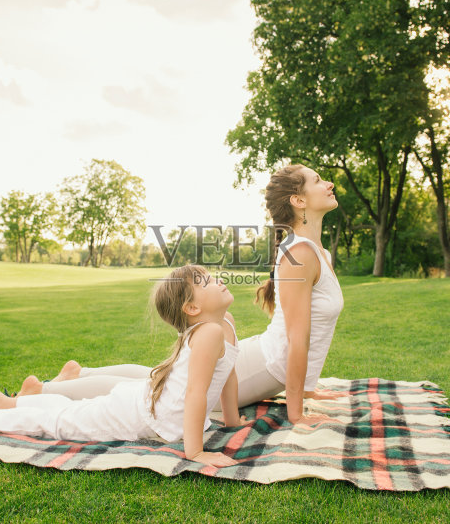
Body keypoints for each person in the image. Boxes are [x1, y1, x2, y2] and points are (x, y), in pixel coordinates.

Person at [19, 165, 345, 424]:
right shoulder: (300, 254)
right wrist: (296, 411)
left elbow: (308, 333)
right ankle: (45, 390)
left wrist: (306, 390)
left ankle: (78, 375)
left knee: (158, 379)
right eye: (318, 180)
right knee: (153, 392)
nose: (328, 184)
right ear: (298, 201)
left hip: (264, 360)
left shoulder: (317, 253)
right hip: (264, 366)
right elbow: (297, 338)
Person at [0, 265, 244, 468]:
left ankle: (6, 405)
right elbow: (195, 393)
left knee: (73, 413)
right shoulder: (211, 332)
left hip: (148, 405)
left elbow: (228, 374)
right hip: (140, 414)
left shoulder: (224, 324)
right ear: (192, 308)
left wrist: (231, 421)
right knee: (62, 422)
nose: (219, 280)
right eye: (206, 281)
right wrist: (196, 453)